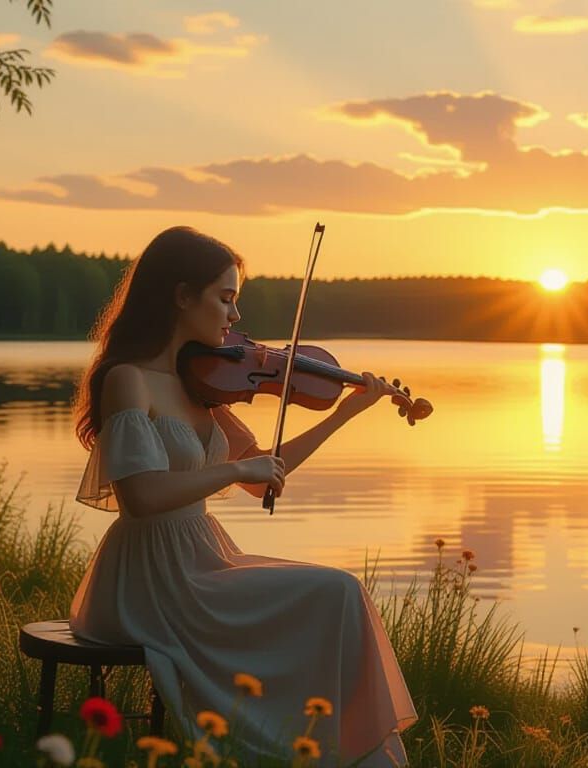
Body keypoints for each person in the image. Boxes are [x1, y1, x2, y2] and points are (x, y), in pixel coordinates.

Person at [69, 226, 417, 766]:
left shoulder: (201, 384)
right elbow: (139, 496)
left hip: (203, 556)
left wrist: (345, 414)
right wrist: (232, 468)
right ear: (182, 295)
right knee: (336, 592)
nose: (235, 319)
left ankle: (346, 750)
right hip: (152, 574)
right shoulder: (128, 380)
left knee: (339, 593)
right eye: (225, 299)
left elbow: (262, 476)